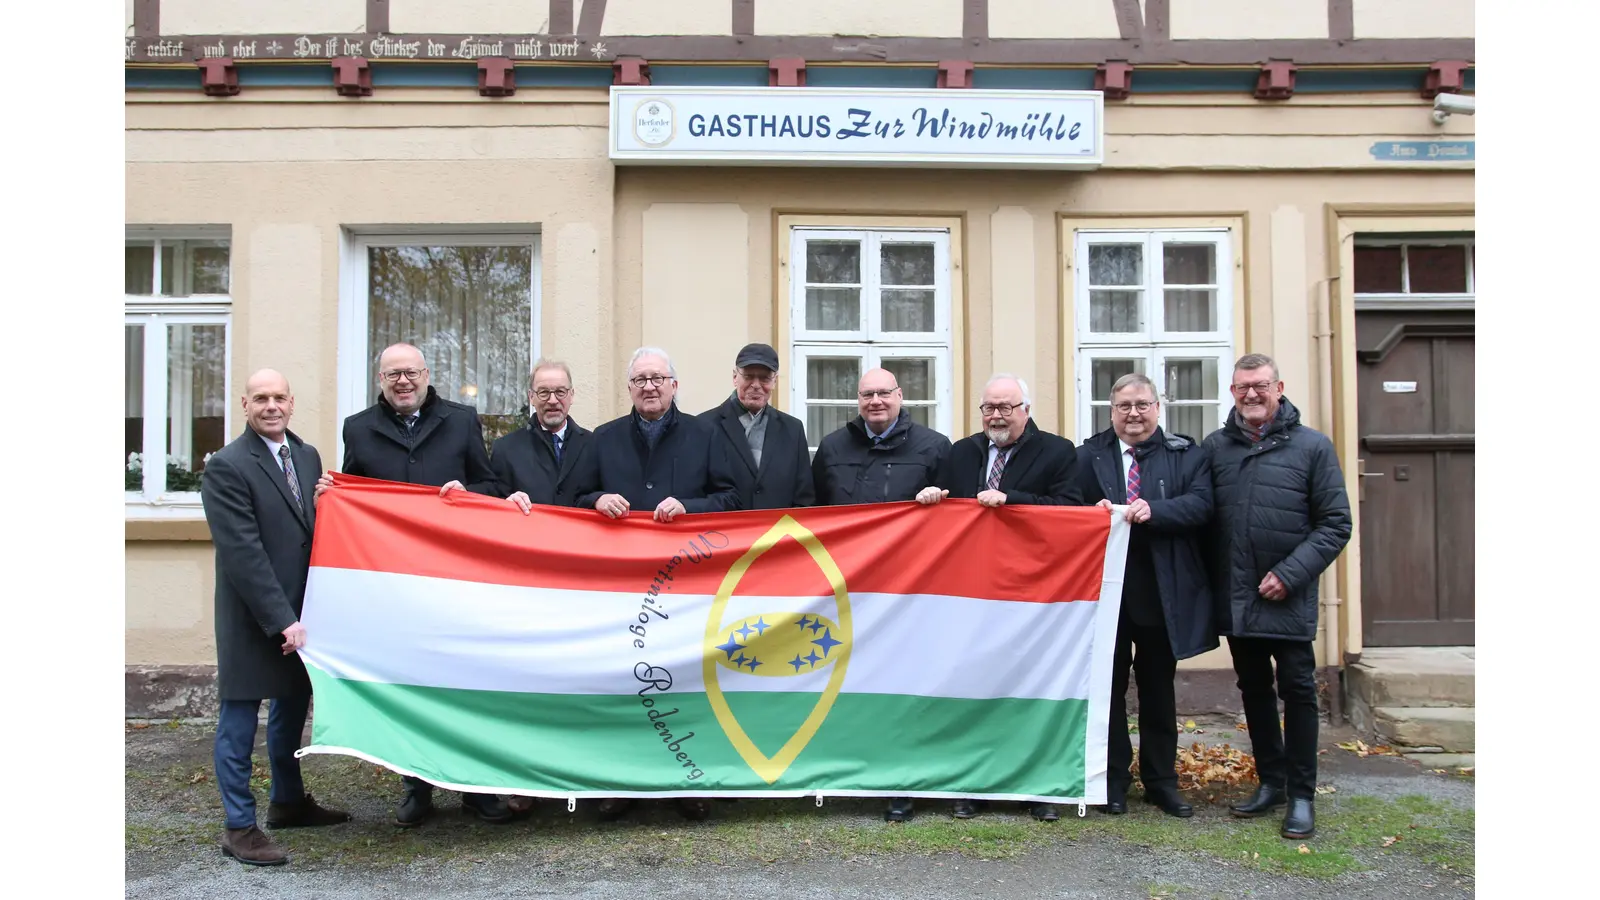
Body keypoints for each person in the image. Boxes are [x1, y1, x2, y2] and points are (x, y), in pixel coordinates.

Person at [314, 342, 513, 828]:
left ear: (427, 374)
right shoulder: (358, 428)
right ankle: (415, 785)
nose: (402, 382)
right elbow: (355, 495)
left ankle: (473, 788)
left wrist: (468, 494)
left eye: (410, 373)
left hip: (454, 579)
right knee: (408, 681)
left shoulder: (462, 420)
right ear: (380, 380)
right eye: (392, 375)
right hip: (393, 584)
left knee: (463, 682)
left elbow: (490, 486)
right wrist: (333, 497)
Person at [573, 346, 740, 822]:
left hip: (685, 586)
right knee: (623, 682)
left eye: (658, 378)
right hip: (619, 586)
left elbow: (730, 498)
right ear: (629, 388)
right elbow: (573, 498)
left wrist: (690, 506)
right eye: (640, 379)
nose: (649, 386)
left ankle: (688, 780)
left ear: (674, 385)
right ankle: (621, 781)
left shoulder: (706, 435)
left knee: (682, 681)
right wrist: (598, 498)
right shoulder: (602, 439)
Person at [913, 372, 1083, 822]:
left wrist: (1013, 500)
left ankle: (1039, 787)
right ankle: (972, 785)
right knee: (977, 690)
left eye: (1006, 407)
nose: (996, 415)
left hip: (1033, 595)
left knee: (1029, 691)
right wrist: (932, 497)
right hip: (972, 595)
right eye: (989, 407)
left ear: (1026, 409)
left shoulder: (1059, 452)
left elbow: (1072, 511)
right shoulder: (961, 452)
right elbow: (946, 507)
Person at [200, 369, 350, 866]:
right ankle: (239, 827)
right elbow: (242, 553)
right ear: (244, 404)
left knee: (291, 710)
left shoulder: (306, 456)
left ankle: (288, 802)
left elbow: (307, 527)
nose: (271, 406)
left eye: (279, 397)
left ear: (291, 402)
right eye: (260, 398)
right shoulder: (226, 466)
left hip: (302, 615)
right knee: (240, 722)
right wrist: (280, 618)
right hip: (254, 617)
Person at [1204, 353, 1351, 840]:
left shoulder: (1312, 447)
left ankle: (1302, 795)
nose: (1251, 395)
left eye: (1260, 386)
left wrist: (1290, 574)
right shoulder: (1217, 448)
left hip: (1287, 596)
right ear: (1232, 392)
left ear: (1279, 387)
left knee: (1299, 691)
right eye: (1242, 387)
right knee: (1253, 690)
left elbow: (1335, 524)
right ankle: (1272, 782)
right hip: (1238, 597)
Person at [810, 367, 951, 822]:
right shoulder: (832, 447)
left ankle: (900, 781)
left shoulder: (934, 447)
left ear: (900, 396)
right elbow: (814, 513)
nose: (875, 401)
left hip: (909, 593)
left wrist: (939, 503)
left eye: (883, 393)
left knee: (902, 687)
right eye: (866, 394)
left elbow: (959, 517)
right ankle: (843, 772)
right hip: (846, 589)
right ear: (857, 400)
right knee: (846, 683)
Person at [1075, 373, 1217, 819]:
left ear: (1158, 407)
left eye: (1141, 405)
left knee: (1158, 693)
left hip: (1162, 594)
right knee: (1109, 693)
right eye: (1123, 406)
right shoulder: (1086, 456)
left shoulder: (1185, 455)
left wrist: (1156, 510)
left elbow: (1202, 505)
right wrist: (1089, 516)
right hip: (1105, 596)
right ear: (1111, 411)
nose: (1133, 414)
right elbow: (1065, 507)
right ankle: (1112, 780)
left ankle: (1161, 782)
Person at [699, 342, 816, 510]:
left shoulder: (792, 430)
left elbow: (804, 498)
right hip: (724, 534)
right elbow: (697, 491)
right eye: (748, 376)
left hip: (778, 533)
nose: (756, 385)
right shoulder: (704, 427)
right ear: (734, 377)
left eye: (764, 378)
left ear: (774, 381)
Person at [493, 359, 594, 514]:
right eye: (544, 392)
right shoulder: (505, 449)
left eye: (560, 392)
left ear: (571, 395)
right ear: (531, 397)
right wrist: (507, 503)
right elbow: (491, 506)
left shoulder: (594, 445)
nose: (552, 401)